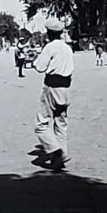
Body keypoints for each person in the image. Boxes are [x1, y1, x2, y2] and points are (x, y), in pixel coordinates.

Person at [32, 19, 75, 171]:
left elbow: (39, 67)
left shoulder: (50, 47)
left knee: (41, 124)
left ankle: (55, 150)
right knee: (61, 124)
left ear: (49, 33)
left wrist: (35, 60)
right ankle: (61, 157)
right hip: (66, 89)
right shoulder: (67, 48)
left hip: (52, 87)